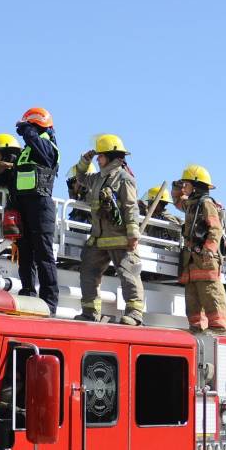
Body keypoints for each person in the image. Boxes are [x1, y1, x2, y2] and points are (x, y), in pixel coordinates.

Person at [0, 107, 60, 314]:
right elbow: (14, 177)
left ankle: (49, 302)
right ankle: (28, 293)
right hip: (23, 207)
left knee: (43, 255)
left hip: (41, 206)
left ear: (36, 126)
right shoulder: (26, 152)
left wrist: (28, 129)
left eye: (29, 127)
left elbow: (37, 144)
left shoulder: (48, 146)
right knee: (25, 253)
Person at [73, 134, 144, 325]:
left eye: (100, 156)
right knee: (88, 271)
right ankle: (89, 312)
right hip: (98, 238)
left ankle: (135, 314)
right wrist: (84, 161)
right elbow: (80, 177)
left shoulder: (124, 178)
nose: (98, 159)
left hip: (120, 238)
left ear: (111, 157)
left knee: (128, 273)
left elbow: (131, 206)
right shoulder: (98, 178)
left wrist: (132, 234)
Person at [175, 165, 226, 335]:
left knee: (211, 293)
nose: (185, 187)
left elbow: (215, 228)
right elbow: (177, 201)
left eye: (187, 184)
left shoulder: (206, 204)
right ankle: (197, 327)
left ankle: (219, 327)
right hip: (192, 259)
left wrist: (209, 249)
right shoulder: (192, 204)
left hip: (205, 257)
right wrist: (176, 186)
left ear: (196, 185)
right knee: (193, 297)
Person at [141, 185, 181, 250]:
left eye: (150, 202)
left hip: (165, 254)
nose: (148, 205)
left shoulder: (167, 218)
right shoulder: (153, 216)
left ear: (158, 203)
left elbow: (178, 235)